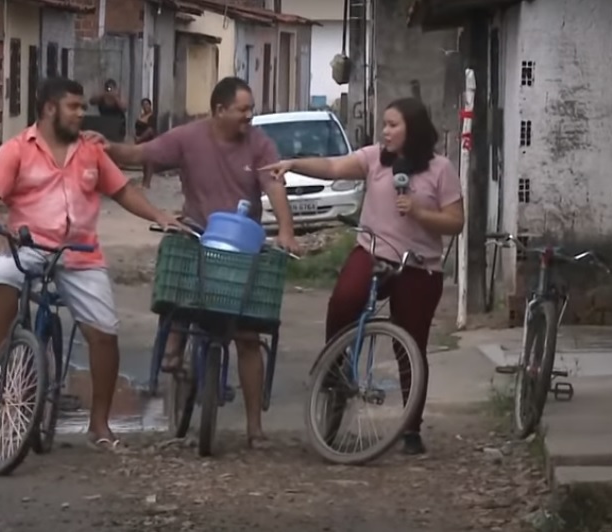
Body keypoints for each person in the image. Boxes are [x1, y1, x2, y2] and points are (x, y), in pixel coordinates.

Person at [88, 77, 300, 448]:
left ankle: (255, 429)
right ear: (219, 110)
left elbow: (273, 185)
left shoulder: (259, 144)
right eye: (243, 110)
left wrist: (285, 229)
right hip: (199, 233)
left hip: (242, 245)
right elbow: (143, 154)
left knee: (248, 338)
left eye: (252, 110)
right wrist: (109, 149)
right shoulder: (188, 138)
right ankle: (172, 348)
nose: (250, 117)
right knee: (180, 284)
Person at [0, 77, 179, 451]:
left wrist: (160, 215)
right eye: (75, 107)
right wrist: (0, 226)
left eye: (83, 107)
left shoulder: (91, 151)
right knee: (2, 274)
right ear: (50, 109)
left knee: (105, 333)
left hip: (81, 253)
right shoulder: (17, 149)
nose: (83, 114)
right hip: (29, 244)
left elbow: (122, 191)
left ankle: (99, 424)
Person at [262, 98, 463, 455]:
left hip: (418, 264)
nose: (384, 131)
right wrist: (294, 164)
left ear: (412, 130)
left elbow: (455, 222)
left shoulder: (440, 169)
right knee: (344, 301)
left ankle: (411, 429)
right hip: (372, 250)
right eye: (383, 124)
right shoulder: (373, 159)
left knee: (411, 344)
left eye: (392, 125)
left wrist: (418, 212)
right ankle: (335, 374)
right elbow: (333, 167)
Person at [134, 98, 156, 188]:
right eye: (144, 105)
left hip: (148, 140)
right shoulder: (142, 116)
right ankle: (144, 181)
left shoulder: (152, 117)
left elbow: (150, 130)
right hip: (141, 140)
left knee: (148, 161)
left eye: (147, 104)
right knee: (144, 162)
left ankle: (147, 182)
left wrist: (140, 138)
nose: (145, 106)